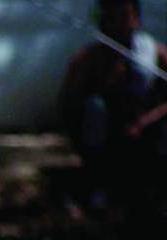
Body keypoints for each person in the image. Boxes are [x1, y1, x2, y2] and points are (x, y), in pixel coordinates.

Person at [59, 0, 167, 205]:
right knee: (95, 110)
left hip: (147, 127)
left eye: (123, 17)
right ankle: (99, 183)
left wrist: (145, 120)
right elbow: (69, 103)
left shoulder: (154, 52)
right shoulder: (88, 59)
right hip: (109, 129)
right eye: (110, 19)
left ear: (135, 19)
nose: (117, 25)